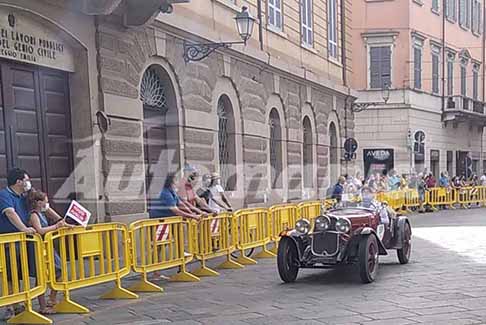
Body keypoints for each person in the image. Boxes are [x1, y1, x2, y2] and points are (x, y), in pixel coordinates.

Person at [27, 190, 72, 315]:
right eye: (46, 202)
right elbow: (40, 230)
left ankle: (52, 299)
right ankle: (42, 306)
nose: (47, 204)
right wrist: (56, 227)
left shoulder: (42, 213)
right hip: (38, 248)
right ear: (39, 203)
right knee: (40, 277)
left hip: (47, 248)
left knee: (59, 271)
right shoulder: (34, 215)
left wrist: (66, 225)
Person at [0, 168, 36, 320]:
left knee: (18, 273)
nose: (29, 183)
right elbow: (10, 213)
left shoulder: (23, 197)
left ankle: (16, 303)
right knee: (8, 273)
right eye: (27, 180)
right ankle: (7, 306)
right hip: (8, 242)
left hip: (21, 241)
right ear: (19, 181)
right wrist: (24, 228)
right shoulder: (4, 195)